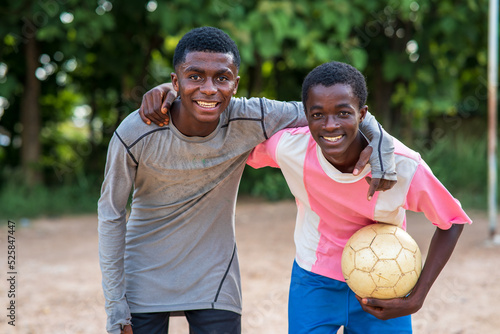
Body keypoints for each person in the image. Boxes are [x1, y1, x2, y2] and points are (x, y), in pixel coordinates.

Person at [98, 27, 396, 334]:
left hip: (215, 282)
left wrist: (380, 142)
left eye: (222, 78)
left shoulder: (250, 117)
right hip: (143, 277)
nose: (210, 88)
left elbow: (334, 110)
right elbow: (111, 213)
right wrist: (115, 306)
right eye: (195, 76)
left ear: (235, 84)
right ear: (176, 81)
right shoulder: (137, 131)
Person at [246, 61, 472, 333]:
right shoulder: (290, 148)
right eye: (317, 115)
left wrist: (418, 297)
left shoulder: (403, 166)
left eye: (343, 113)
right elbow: (235, 145)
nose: (330, 126)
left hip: (388, 280)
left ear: (362, 114)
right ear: (305, 115)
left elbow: (453, 221)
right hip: (314, 279)